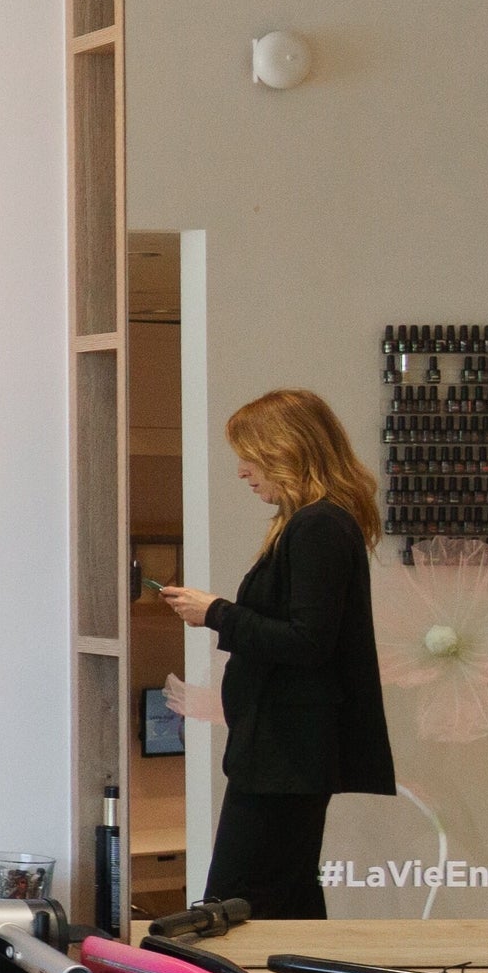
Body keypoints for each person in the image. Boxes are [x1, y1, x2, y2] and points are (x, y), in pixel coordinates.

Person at [155, 389, 393, 920]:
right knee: (286, 893)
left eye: (250, 456)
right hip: (283, 751)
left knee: (238, 900)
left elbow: (308, 641)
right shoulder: (313, 524)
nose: (242, 471)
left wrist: (215, 611)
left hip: (286, 754)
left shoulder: (318, 526)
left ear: (286, 450)